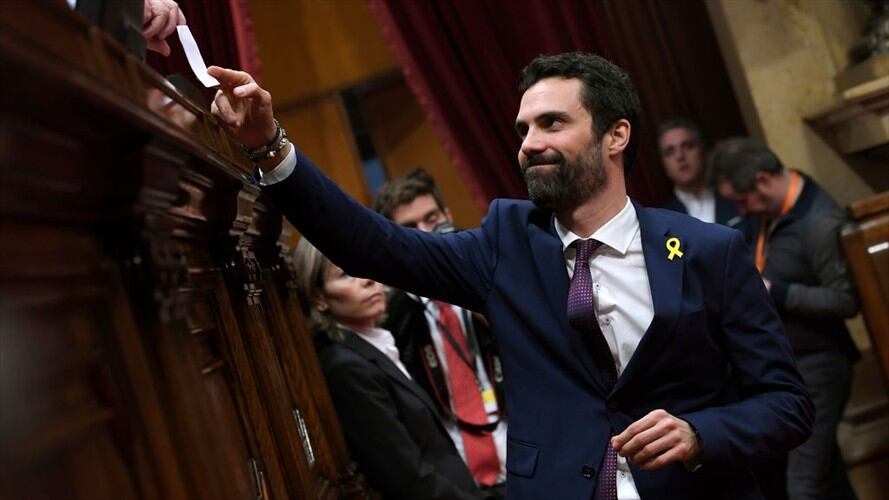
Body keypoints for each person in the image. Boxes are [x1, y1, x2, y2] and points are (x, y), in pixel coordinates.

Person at [208, 51, 814, 500]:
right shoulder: (506, 246)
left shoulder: (709, 251)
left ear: (616, 135)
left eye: (552, 123)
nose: (528, 143)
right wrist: (269, 146)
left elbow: (787, 404)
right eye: (523, 129)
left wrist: (700, 432)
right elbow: (371, 246)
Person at [710, 137, 860, 500]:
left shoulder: (819, 221)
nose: (741, 211)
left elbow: (846, 300)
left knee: (804, 486)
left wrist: (775, 292)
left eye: (741, 201)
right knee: (830, 477)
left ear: (762, 181)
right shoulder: (769, 213)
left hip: (821, 365)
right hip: (790, 366)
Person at [291, 238, 490, 500]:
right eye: (346, 273)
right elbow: (407, 477)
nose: (367, 279)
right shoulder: (346, 367)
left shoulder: (374, 343)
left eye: (364, 265)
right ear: (318, 297)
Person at [373, 169, 507, 496]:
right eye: (409, 229)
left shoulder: (491, 280)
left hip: (522, 453)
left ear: (448, 216)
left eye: (432, 219)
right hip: (456, 478)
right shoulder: (392, 314)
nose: (425, 234)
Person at [657, 118, 741, 228]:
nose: (680, 156)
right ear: (664, 165)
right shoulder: (662, 221)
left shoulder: (737, 198)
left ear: (705, 152)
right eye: (670, 152)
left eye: (688, 146)